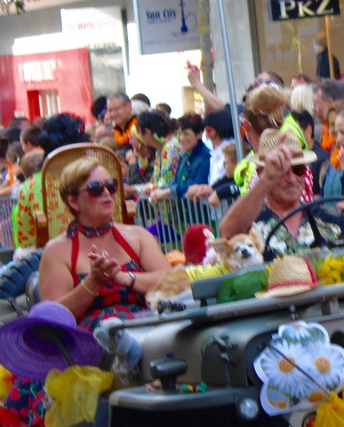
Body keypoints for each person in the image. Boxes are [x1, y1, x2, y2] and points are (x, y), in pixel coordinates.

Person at [38, 157, 173, 331]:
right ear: (73, 201)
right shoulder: (56, 251)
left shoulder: (138, 236)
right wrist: (92, 283)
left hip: (148, 329)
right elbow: (51, 317)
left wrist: (126, 278)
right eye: (95, 189)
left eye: (111, 185)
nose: (107, 193)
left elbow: (171, 280)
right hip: (93, 343)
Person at [219, 129, 344, 258]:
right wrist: (266, 179)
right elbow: (227, 233)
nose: (292, 179)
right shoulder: (251, 223)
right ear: (261, 173)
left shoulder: (330, 217)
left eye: (298, 170)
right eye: (281, 171)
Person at [13, 113, 89, 255]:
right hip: (102, 245)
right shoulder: (99, 172)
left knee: (20, 254)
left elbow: (25, 238)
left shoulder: (31, 185)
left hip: (54, 253)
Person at [151, 113, 210, 200]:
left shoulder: (206, 157)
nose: (181, 138)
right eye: (179, 133)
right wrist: (160, 190)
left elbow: (196, 185)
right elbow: (176, 182)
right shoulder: (183, 155)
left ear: (199, 134)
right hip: (184, 210)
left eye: (186, 134)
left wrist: (167, 191)